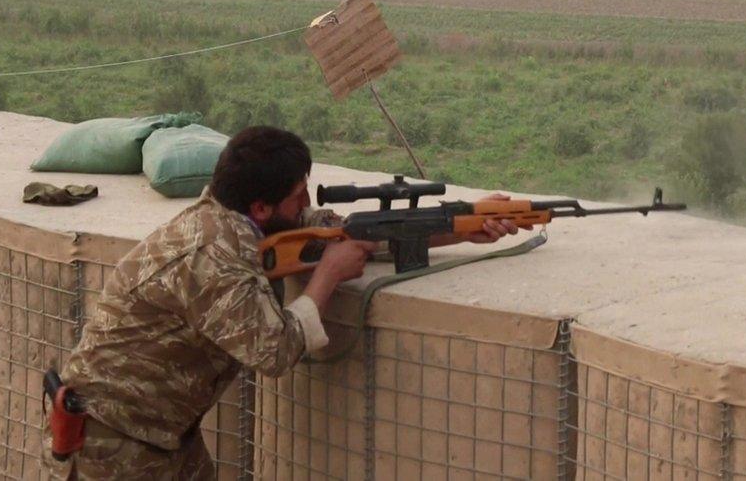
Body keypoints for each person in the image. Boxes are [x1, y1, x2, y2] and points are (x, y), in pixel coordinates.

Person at [42, 126, 518, 480]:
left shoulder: (230, 217)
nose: (306, 202)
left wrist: (463, 225)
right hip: (113, 447)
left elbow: (340, 231)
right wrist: (328, 276)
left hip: (159, 435)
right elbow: (274, 350)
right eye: (296, 195)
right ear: (261, 208)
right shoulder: (214, 256)